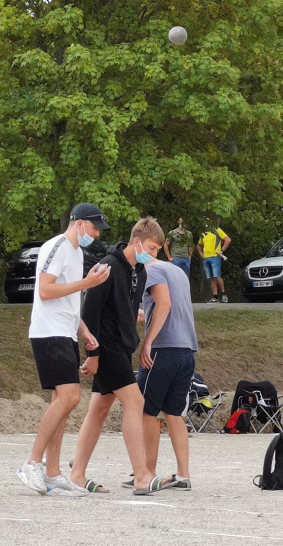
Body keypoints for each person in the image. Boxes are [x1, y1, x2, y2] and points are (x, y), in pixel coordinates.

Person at [68, 217, 171, 496]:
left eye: (157, 251)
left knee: (99, 409)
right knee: (135, 401)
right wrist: (93, 353)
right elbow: (90, 313)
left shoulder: (141, 271)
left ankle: (76, 474)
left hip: (123, 347)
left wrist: (132, 318)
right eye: (150, 248)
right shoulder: (108, 267)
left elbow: (126, 305)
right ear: (136, 241)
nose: (153, 255)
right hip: (106, 346)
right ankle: (141, 476)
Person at [17, 204, 111, 496]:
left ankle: (53, 473)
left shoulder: (77, 252)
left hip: (65, 331)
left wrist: (84, 332)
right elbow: (45, 291)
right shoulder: (57, 246)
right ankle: (32, 462)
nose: (95, 235)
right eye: (94, 228)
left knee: (63, 401)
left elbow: (67, 300)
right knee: (70, 396)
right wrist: (88, 283)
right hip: (48, 332)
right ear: (79, 223)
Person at [136, 255, 198, 491]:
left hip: (163, 349)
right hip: (186, 351)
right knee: (173, 413)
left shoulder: (151, 271)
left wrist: (148, 342)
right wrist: (144, 314)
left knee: (146, 411)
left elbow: (164, 304)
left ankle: (147, 474)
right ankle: (184, 474)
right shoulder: (178, 271)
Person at [198, 221, 231, 303]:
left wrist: (222, 250)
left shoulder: (217, 230)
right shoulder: (203, 233)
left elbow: (227, 240)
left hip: (215, 257)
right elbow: (199, 245)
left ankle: (224, 294)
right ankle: (215, 296)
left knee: (217, 276)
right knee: (212, 278)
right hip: (206, 258)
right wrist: (201, 254)